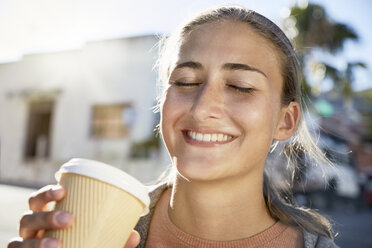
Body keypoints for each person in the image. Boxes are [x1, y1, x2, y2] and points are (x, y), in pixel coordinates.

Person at [8, 5, 338, 248]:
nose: (203, 106)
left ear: (286, 121)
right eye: (185, 81)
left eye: (240, 86)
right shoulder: (104, 233)